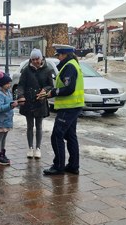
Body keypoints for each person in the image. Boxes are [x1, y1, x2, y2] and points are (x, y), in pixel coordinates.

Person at [42, 44, 84, 175]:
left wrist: (53, 93)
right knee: (70, 136)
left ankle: (58, 166)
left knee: (56, 136)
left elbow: (69, 88)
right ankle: (73, 165)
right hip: (73, 106)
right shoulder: (71, 64)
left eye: (59, 55)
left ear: (64, 54)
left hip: (68, 107)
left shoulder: (70, 66)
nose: (58, 58)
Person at [17, 48, 54, 159]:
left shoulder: (47, 70)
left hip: (40, 101)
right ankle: (30, 148)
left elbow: (50, 85)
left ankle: (38, 148)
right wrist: (21, 95)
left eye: (37, 59)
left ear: (41, 58)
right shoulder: (26, 70)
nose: (35, 61)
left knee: (38, 126)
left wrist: (45, 90)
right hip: (28, 101)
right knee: (29, 126)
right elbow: (21, 85)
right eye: (33, 59)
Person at [0, 71, 18, 165]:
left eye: (10, 83)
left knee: (4, 137)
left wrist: (15, 103)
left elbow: (9, 102)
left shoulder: (7, 92)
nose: (9, 85)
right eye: (7, 83)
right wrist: (10, 106)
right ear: (2, 84)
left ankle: (2, 153)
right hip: (1, 120)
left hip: (7, 120)